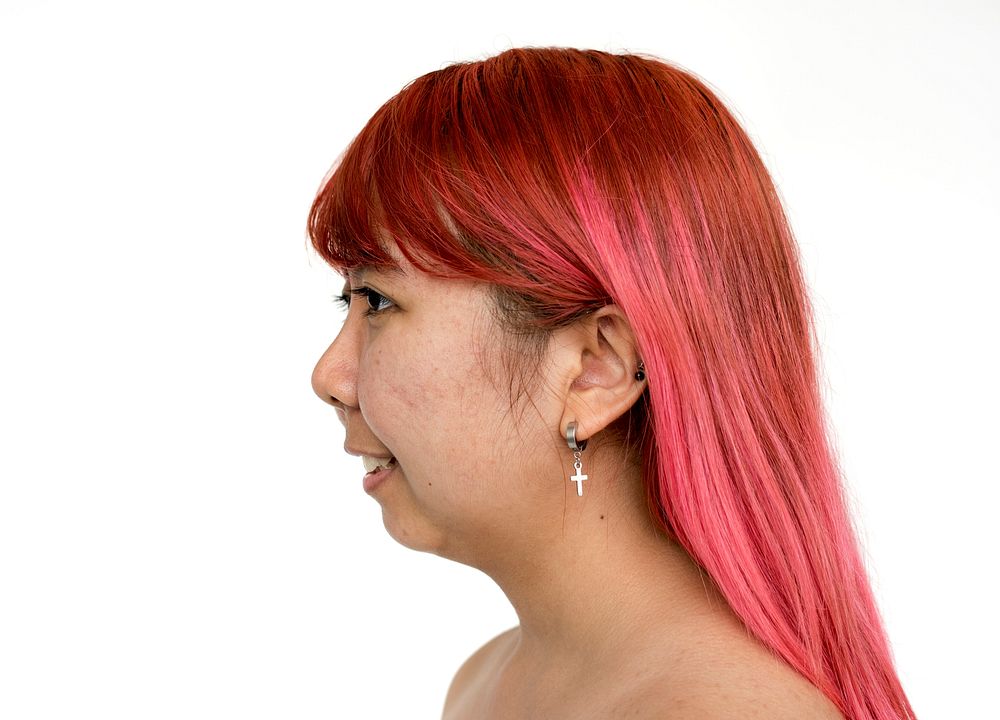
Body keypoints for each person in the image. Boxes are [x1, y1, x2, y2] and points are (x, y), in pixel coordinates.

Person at [307, 47, 917, 720]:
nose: (330, 377)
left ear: (595, 368)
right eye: (349, 303)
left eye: (380, 303)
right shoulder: (486, 685)